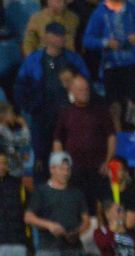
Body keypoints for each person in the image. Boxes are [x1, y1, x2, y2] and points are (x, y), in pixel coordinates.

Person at [14, 22, 88, 179]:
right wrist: (31, 107)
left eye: (62, 35)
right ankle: (42, 186)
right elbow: (20, 87)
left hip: (69, 116)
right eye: (57, 35)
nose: (61, 38)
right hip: (42, 117)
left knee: (71, 154)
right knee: (41, 157)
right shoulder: (34, 60)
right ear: (47, 37)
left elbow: (86, 83)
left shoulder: (73, 59)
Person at [25, 151, 89, 256]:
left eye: (68, 169)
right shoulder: (42, 192)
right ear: (52, 169)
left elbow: (86, 220)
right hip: (48, 249)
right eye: (62, 169)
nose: (65, 172)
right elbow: (29, 217)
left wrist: (77, 232)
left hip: (73, 249)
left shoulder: (76, 193)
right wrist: (49, 225)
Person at [81, 0, 135, 133]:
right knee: (114, 108)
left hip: (134, 63)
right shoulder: (99, 12)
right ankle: (118, 142)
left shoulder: (134, 9)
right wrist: (105, 43)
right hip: (112, 65)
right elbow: (87, 40)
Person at [52, 75, 115, 207]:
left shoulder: (100, 111)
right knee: (77, 206)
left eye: (86, 89)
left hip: (98, 168)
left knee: (106, 205)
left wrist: (108, 161)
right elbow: (58, 140)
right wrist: (60, 164)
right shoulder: (66, 113)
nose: (85, 93)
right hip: (75, 170)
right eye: (80, 90)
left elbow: (111, 136)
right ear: (72, 91)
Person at [0, 152, 27, 256]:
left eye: (4, 163)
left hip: (17, 243)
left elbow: (26, 215)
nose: (2, 166)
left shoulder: (17, 184)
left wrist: (28, 244)